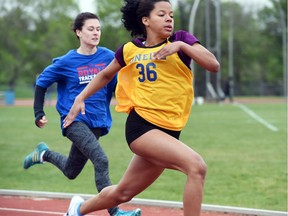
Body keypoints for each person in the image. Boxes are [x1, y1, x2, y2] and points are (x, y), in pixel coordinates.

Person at [63, 1, 220, 216]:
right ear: (145, 20)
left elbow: (213, 64)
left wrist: (182, 47)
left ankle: (77, 209)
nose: (169, 19)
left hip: (169, 132)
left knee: (123, 192)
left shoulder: (181, 40)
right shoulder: (130, 49)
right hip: (142, 128)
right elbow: (106, 75)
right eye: (162, 14)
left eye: (171, 15)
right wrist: (80, 98)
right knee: (196, 167)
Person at [22, 12, 141, 216]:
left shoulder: (107, 57)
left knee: (71, 170)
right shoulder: (66, 61)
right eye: (90, 29)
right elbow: (41, 83)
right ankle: (115, 212)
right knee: (101, 160)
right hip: (74, 121)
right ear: (79, 32)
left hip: (97, 122)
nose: (96, 33)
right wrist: (38, 112)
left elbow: (116, 86)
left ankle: (43, 153)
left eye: (98, 29)